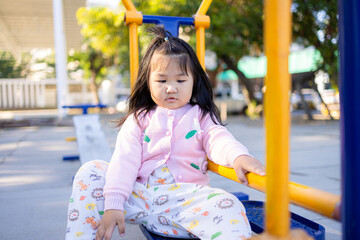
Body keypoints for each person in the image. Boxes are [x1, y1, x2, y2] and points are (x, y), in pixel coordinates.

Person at [66, 26, 265, 240]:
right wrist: (113, 203)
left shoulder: (200, 116)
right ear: (148, 82)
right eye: (162, 81)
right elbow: (124, 160)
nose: (171, 88)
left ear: (194, 82)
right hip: (139, 197)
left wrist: (238, 156)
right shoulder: (139, 119)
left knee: (228, 204)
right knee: (91, 171)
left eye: (180, 81)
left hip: (184, 202)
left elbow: (219, 139)